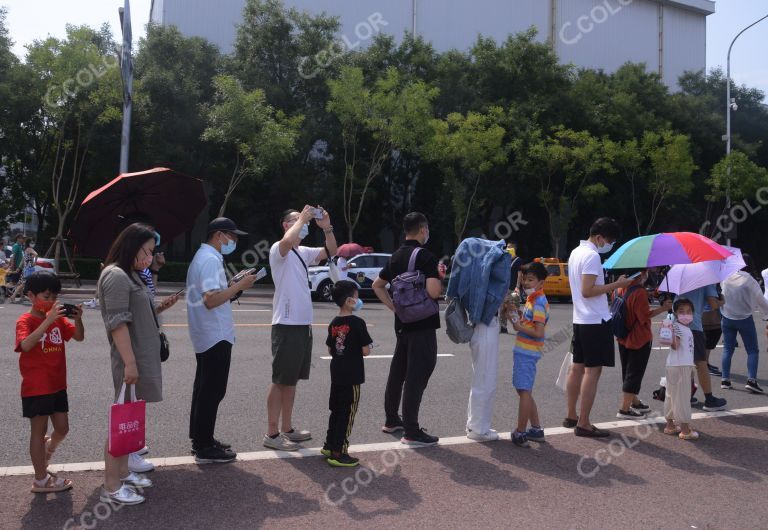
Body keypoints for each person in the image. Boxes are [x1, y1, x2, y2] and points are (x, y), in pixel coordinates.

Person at [97, 223, 179, 505]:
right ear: (132, 246)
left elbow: (137, 312)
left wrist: (159, 308)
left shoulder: (131, 275)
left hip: (139, 359)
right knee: (120, 422)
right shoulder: (116, 275)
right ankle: (111, 486)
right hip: (129, 361)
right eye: (147, 251)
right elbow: (117, 323)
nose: (149, 258)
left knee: (129, 421)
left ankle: (122, 473)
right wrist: (130, 364)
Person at [265, 206, 337, 451]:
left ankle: (287, 428)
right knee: (280, 379)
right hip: (286, 324)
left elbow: (331, 251)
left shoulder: (302, 252)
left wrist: (326, 226)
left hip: (302, 325)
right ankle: (271, 434)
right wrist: (302, 218)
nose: (304, 224)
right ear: (286, 225)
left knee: (292, 380)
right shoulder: (279, 249)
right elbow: (286, 242)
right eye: (296, 220)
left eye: (303, 220)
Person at [187, 217, 257, 463]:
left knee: (205, 389)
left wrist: (233, 285)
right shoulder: (209, 259)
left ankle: (201, 438)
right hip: (214, 334)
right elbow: (211, 300)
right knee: (212, 390)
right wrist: (241, 286)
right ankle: (204, 445)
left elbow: (215, 293)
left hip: (209, 334)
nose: (234, 241)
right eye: (232, 236)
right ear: (219, 235)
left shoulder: (207, 257)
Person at [373, 212, 444, 447]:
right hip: (423, 324)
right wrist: (439, 279)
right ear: (423, 230)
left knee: (399, 371)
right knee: (418, 374)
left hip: (402, 324)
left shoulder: (395, 256)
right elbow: (434, 292)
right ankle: (412, 431)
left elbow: (377, 285)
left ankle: (392, 419)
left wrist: (395, 307)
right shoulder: (426, 256)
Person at [15, 271, 84, 493]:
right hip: (36, 385)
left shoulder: (59, 319)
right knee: (38, 429)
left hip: (57, 384)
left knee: (63, 428)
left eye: (54, 296)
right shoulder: (25, 320)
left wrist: (78, 318)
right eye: (46, 296)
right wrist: (48, 320)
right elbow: (25, 345)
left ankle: (47, 450)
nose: (51, 301)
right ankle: (41, 480)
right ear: (30, 296)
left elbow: (79, 337)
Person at [565, 217, 632, 438]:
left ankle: (571, 415)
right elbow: (588, 290)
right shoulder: (592, 255)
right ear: (600, 237)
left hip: (580, 319)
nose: (609, 245)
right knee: (592, 371)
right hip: (595, 320)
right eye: (609, 240)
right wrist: (618, 285)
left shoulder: (576, 252)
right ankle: (584, 423)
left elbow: (582, 289)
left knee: (577, 368)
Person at [321, 281, 372, 467]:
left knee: (336, 410)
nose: (359, 301)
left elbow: (330, 349)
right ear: (350, 301)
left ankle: (329, 444)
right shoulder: (358, 323)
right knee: (348, 412)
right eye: (357, 297)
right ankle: (339, 451)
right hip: (352, 375)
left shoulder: (334, 323)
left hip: (337, 373)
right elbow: (365, 351)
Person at [615, 270, 673, 418]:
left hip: (623, 336)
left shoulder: (620, 288)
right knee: (634, 373)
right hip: (639, 338)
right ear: (641, 273)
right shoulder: (639, 292)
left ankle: (634, 401)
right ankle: (624, 409)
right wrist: (663, 308)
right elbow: (644, 316)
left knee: (627, 371)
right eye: (645, 271)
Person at [510, 262, 550, 447]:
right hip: (525, 351)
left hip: (527, 352)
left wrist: (518, 326)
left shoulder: (539, 301)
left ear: (541, 282)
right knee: (523, 389)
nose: (526, 283)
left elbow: (539, 332)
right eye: (525, 279)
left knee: (524, 391)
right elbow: (531, 322)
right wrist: (519, 315)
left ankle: (520, 432)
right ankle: (535, 428)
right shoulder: (532, 299)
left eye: (531, 279)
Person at [720, 255, 768, 394]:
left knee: (728, 349)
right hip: (744, 318)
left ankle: (725, 380)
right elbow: (761, 301)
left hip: (727, 317)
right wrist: (766, 314)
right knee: (752, 350)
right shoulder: (749, 280)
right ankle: (751, 380)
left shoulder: (726, 277)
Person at [674, 285, 728, 410]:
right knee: (700, 363)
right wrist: (722, 301)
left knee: (686, 362)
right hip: (694, 326)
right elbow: (713, 304)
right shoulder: (706, 281)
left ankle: (686, 395)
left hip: (678, 324)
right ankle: (709, 399)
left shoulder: (682, 278)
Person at [663, 298, 699, 440]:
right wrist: (669, 331)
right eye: (681, 311)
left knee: (671, 395)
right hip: (681, 366)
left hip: (674, 365)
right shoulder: (677, 327)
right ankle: (685, 430)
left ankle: (670, 425)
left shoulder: (684, 328)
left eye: (689, 311)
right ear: (676, 313)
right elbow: (675, 345)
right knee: (683, 397)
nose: (686, 314)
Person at [499, 241, 522, 334]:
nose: (507, 248)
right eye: (507, 247)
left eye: (509, 247)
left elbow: (519, 274)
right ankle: (503, 327)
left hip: (512, 288)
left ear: (514, 248)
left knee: (513, 308)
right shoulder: (505, 259)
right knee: (502, 308)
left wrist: (517, 286)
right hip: (504, 287)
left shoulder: (518, 260)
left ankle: (519, 326)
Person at [10, 238, 37, 303]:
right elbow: (36, 254)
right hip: (29, 268)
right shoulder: (30, 249)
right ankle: (13, 296)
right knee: (23, 283)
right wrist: (35, 262)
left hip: (25, 268)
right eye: (32, 242)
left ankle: (22, 297)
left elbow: (23, 259)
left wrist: (19, 268)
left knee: (21, 283)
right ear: (29, 243)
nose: (33, 244)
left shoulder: (26, 250)